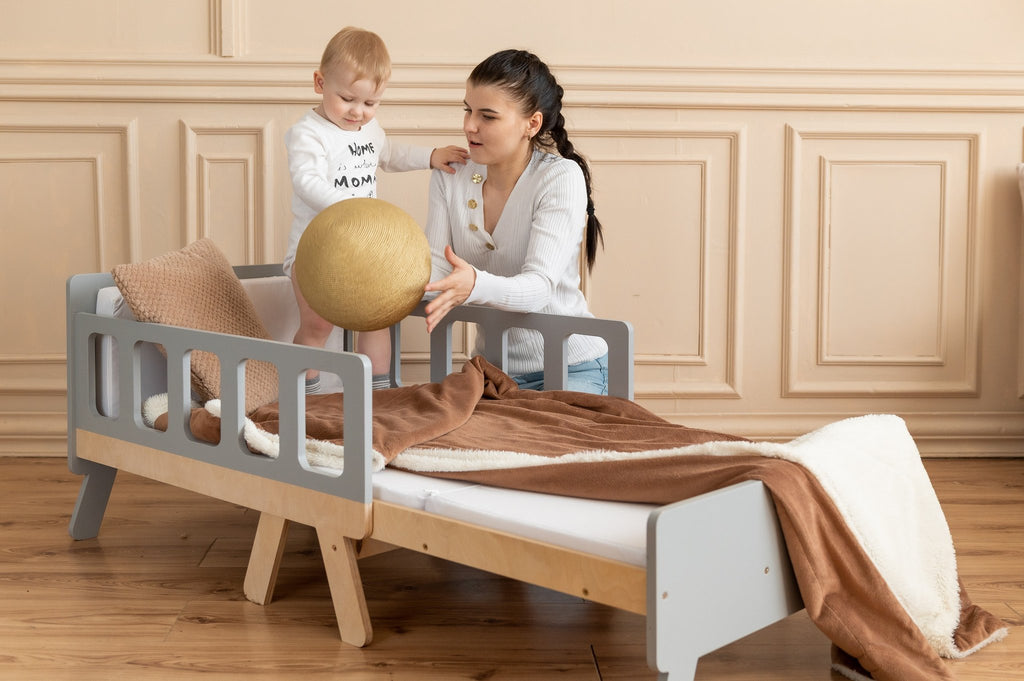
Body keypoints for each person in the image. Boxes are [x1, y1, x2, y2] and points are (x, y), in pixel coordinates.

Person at [284, 26, 468, 393]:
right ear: (320, 83)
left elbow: (388, 154)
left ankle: (379, 392)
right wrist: (351, 210)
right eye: (348, 99)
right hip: (316, 252)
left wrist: (430, 156)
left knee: (375, 319)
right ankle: (305, 396)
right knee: (318, 325)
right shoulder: (308, 133)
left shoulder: (369, 130)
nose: (358, 112)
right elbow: (306, 181)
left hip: (363, 252)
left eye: (370, 104)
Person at [423, 49, 609, 395]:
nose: (469, 126)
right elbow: (435, 267)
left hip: (573, 367)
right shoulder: (451, 174)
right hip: (490, 373)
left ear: (532, 124)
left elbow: (538, 288)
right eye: (468, 110)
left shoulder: (560, 178)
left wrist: (473, 284)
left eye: (488, 116)